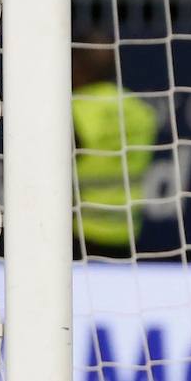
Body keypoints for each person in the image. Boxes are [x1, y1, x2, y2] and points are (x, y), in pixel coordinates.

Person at [72, 34, 158, 258]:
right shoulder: (139, 110)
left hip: (79, 233)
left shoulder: (75, 111)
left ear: (77, 66)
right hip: (126, 233)